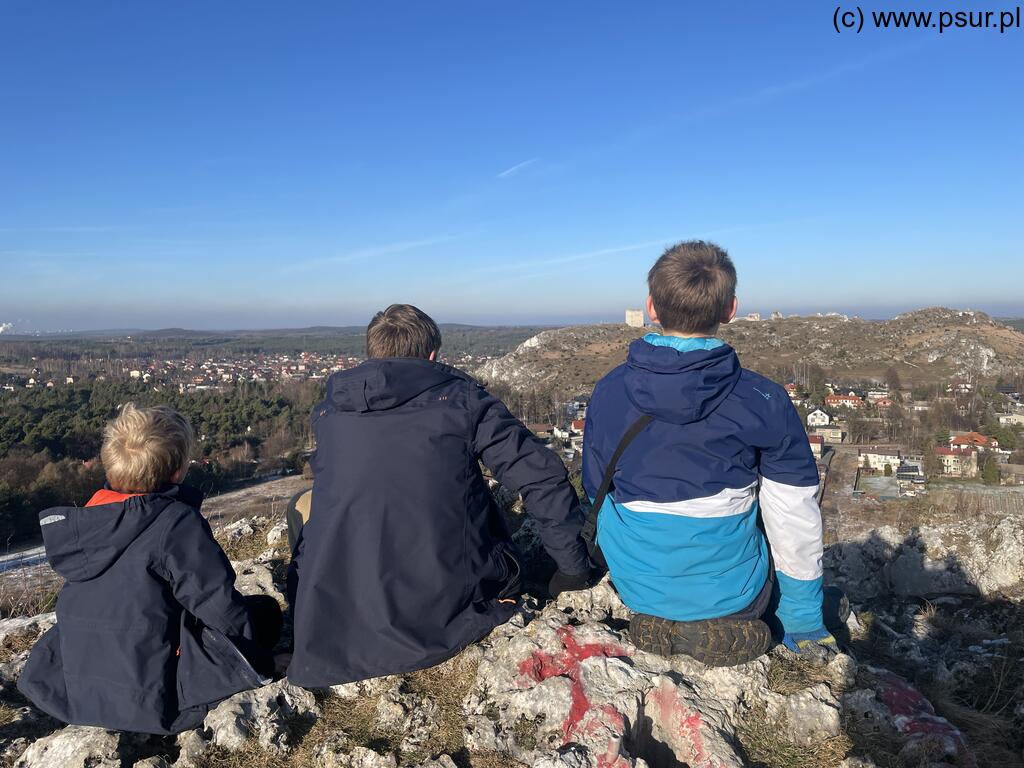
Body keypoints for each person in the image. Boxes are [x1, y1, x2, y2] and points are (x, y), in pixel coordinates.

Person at [286, 304, 593, 687]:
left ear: (372, 354)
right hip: (444, 607)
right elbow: (541, 476)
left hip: (339, 620)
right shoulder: (462, 401)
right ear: (432, 355)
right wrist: (573, 569)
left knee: (301, 504)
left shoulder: (331, 410)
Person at [582, 241, 844, 667]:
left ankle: (666, 616)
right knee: (767, 504)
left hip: (637, 586)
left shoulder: (610, 390)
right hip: (735, 593)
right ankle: (768, 619)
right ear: (731, 309)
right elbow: (793, 514)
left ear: (651, 306)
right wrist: (804, 619)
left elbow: (596, 487)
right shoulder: (763, 399)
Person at [18, 404, 282, 734]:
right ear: (177, 472)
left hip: (78, 686)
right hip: (147, 697)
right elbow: (218, 605)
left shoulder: (86, 520)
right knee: (267, 613)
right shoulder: (175, 523)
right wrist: (249, 651)